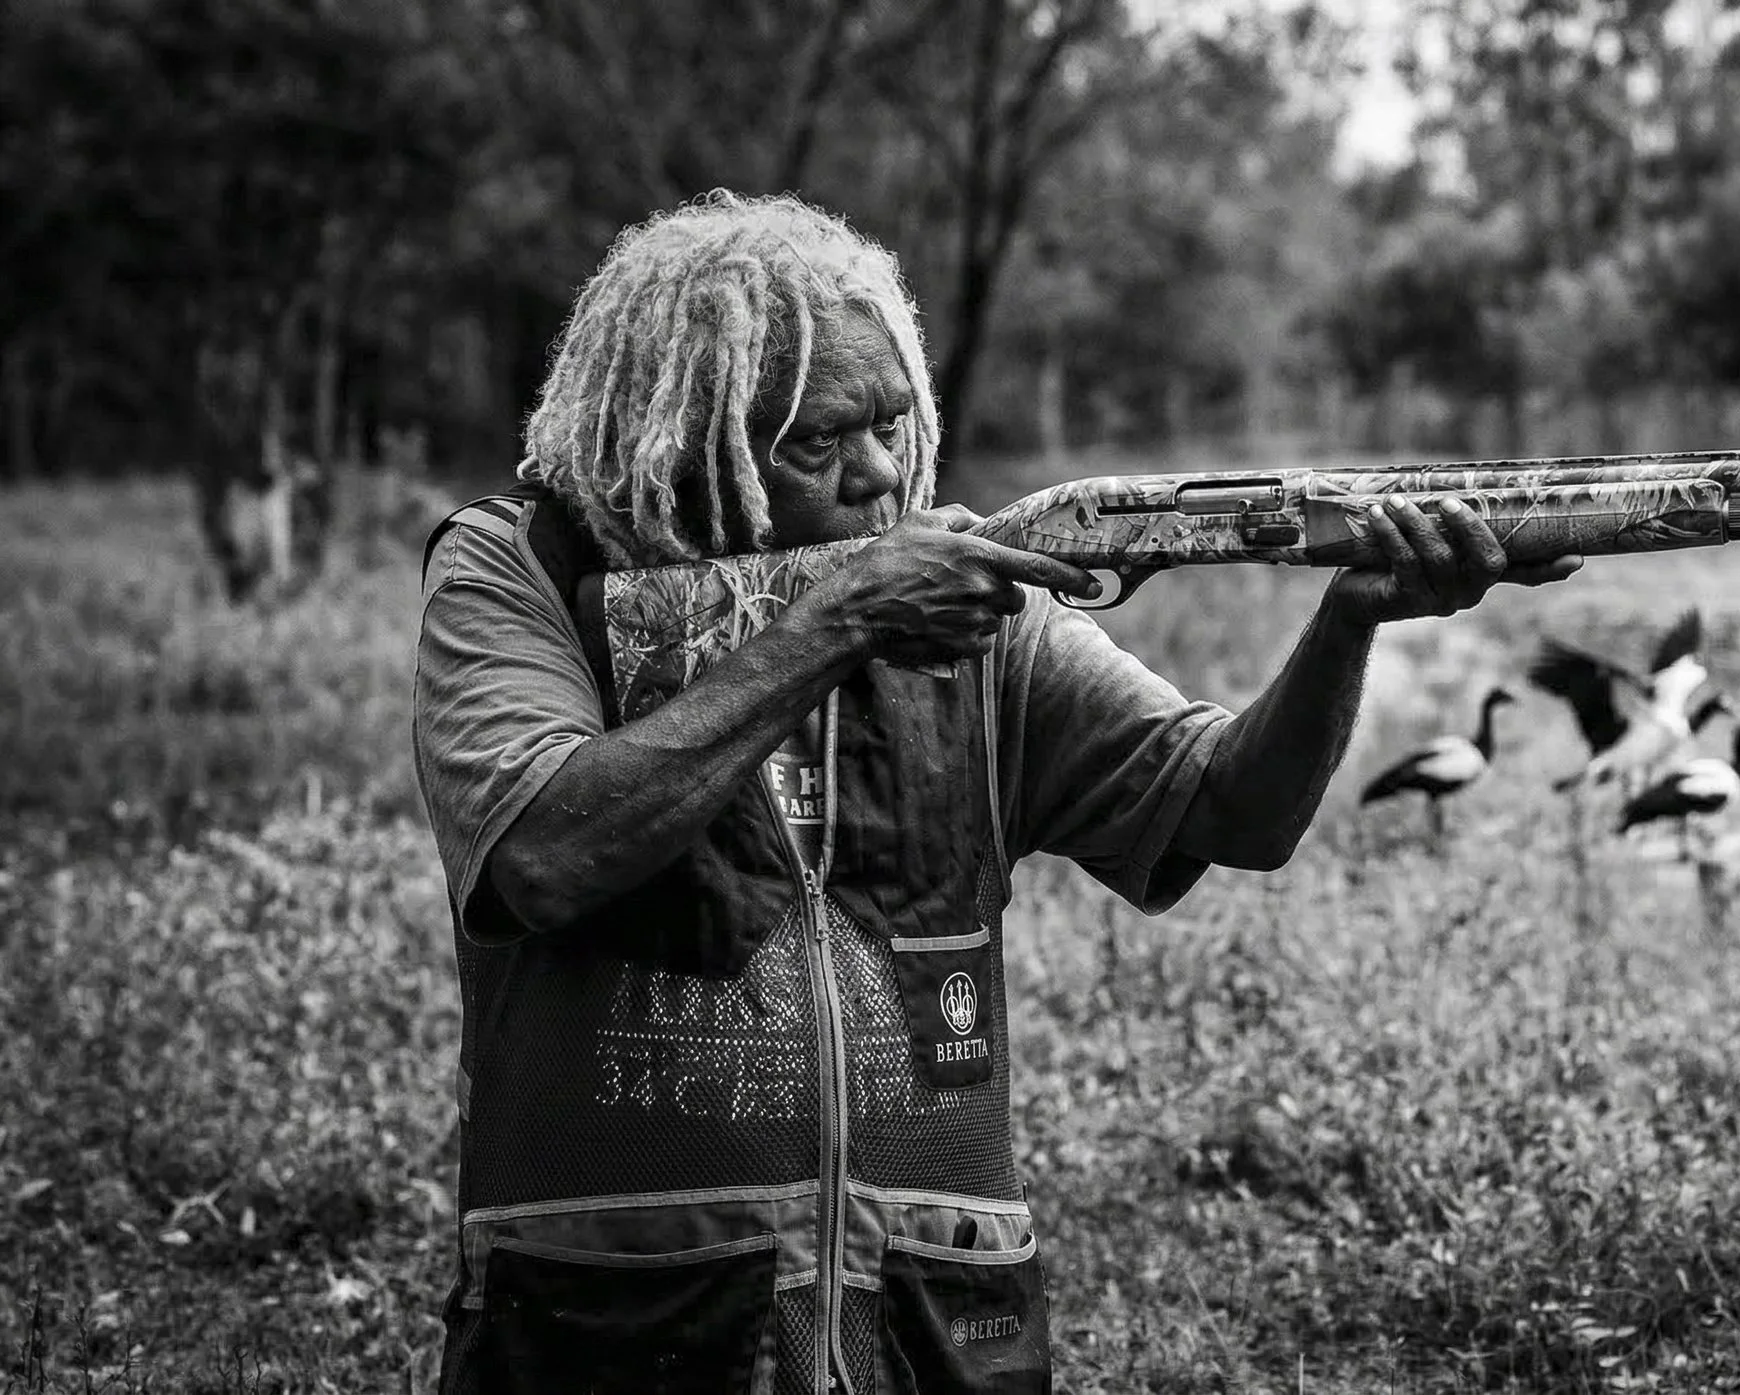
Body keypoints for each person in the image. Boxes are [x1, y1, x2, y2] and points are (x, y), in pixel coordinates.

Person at [412, 191, 1579, 1395]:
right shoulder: (521, 572)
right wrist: (839, 625)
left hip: (932, 1312)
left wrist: (1350, 621)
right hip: (608, 1316)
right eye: (818, 442)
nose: (880, 477)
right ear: (682, 445)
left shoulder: (978, 613)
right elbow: (542, 853)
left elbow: (1233, 809)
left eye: (892, 424)